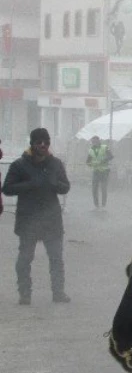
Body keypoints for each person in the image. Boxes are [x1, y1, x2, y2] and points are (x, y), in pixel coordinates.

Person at [2, 128, 71, 305]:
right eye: (39, 142)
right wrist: (30, 185)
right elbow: (7, 189)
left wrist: (55, 184)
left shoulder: (55, 164)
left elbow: (65, 187)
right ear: (32, 144)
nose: (43, 145)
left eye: (46, 142)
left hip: (52, 220)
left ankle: (58, 293)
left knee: (56, 259)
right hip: (28, 220)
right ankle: (25, 294)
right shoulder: (19, 165)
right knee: (25, 259)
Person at [86, 135, 113, 209]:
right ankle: (96, 204)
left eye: (95, 141)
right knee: (94, 189)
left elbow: (111, 156)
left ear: (98, 141)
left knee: (103, 188)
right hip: (96, 171)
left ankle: (103, 204)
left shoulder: (104, 147)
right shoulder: (91, 150)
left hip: (104, 171)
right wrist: (90, 164)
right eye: (92, 142)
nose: (93, 143)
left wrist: (102, 160)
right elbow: (88, 161)